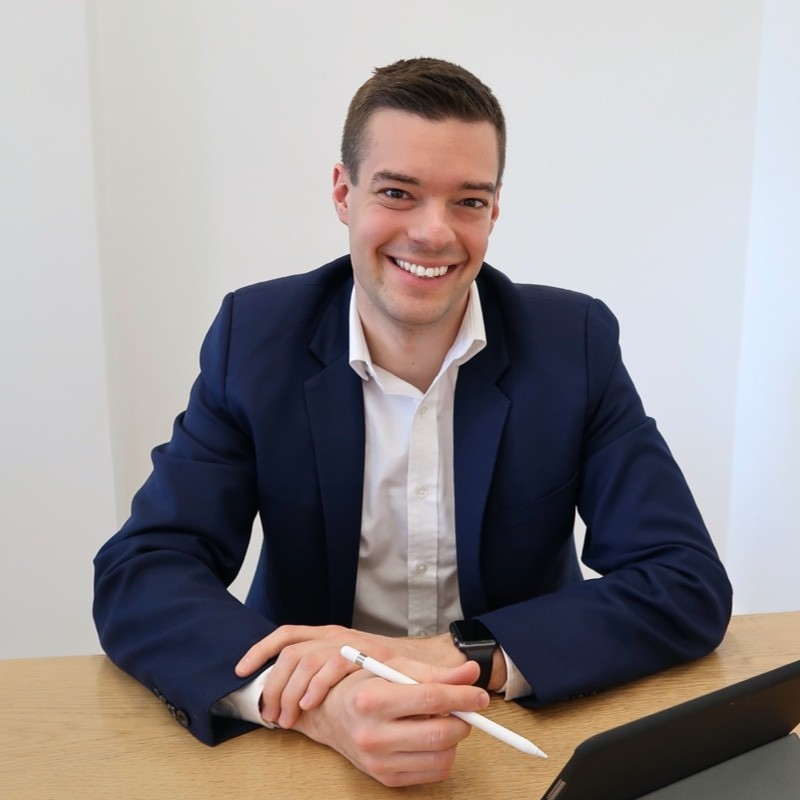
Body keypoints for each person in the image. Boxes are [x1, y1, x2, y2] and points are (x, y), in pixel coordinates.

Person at [93, 57, 732, 787]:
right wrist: (317, 701)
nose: (433, 233)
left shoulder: (572, 345)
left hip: (511, 726)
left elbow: (684, 581)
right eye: (398, 193)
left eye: (468, 201)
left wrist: (452, 655)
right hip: (304, 746)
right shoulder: (257, 337)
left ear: (494, 211)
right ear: (344, 193)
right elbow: (142, 571)